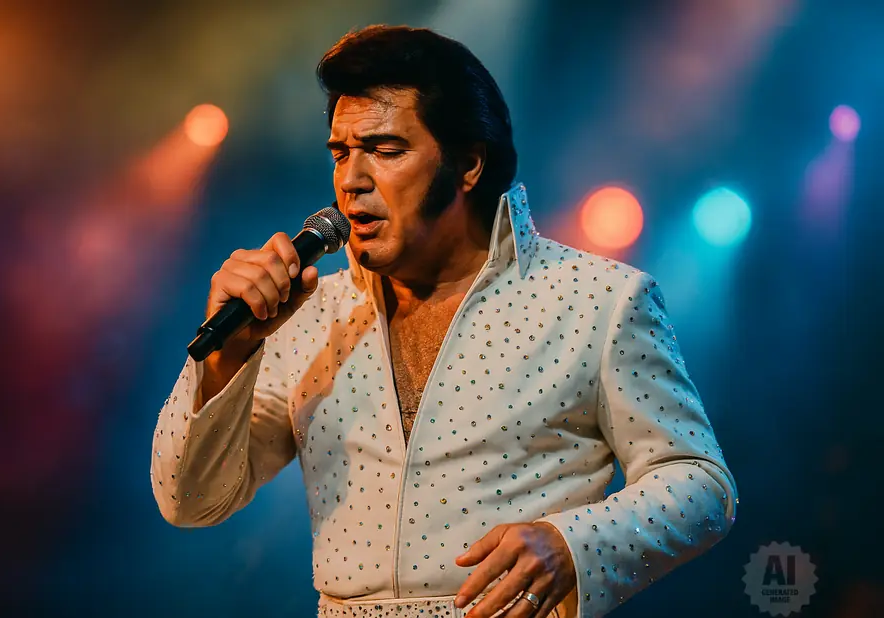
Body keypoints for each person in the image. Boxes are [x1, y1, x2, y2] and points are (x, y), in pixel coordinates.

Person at [151, 25, 737, 618]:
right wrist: (228, 356)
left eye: (384, 149)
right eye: (340, 152)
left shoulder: (596, 300)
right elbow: (188, 500)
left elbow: (698, 485)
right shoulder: (307, 316)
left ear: (468, 164)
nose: (351, 179)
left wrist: (574, 544)